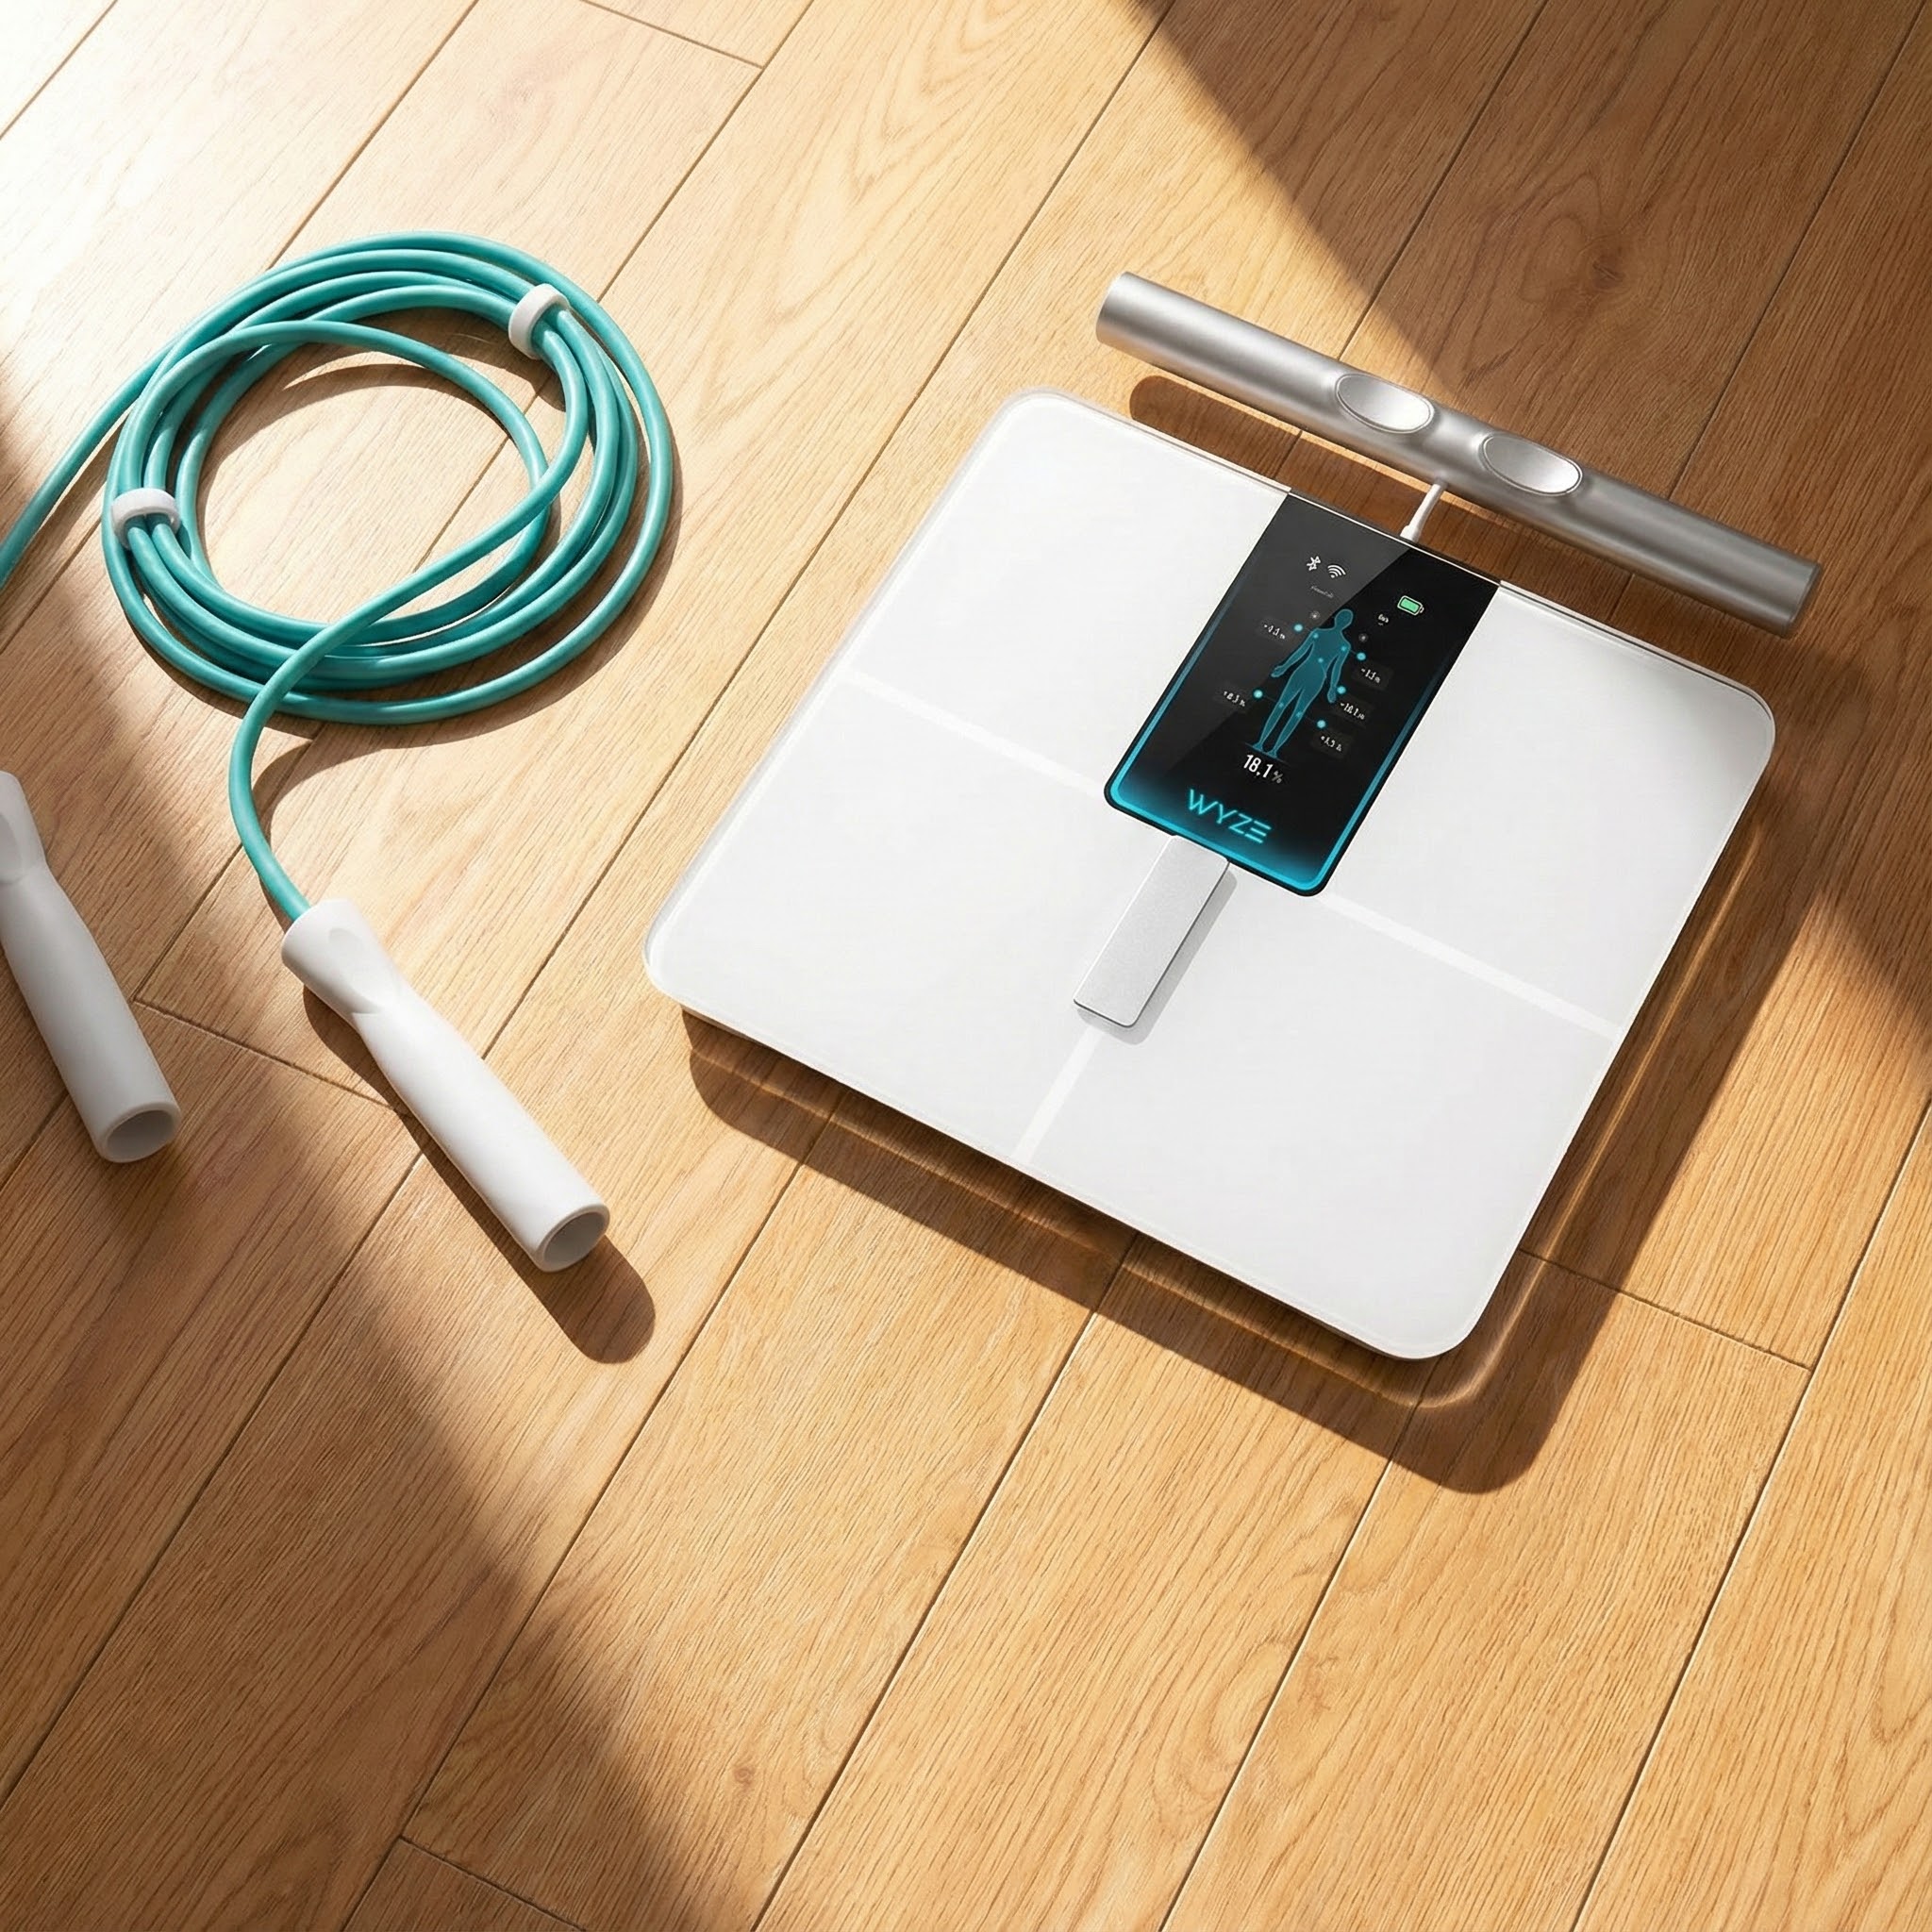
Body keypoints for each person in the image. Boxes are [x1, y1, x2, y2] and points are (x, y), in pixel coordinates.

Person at [1254, 608, 1354, 758]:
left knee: (1282, 706)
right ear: (1347, 623)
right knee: (1297, 713)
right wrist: (1332, 688)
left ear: (1337, 618)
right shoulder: (1343, 645)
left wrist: (1285, 667)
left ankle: (1263, 744)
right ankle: (1272, 749)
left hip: (1304, 670)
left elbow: (1301, 652)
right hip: (1317, 677)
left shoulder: (1320, 633)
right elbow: (1336, 668)